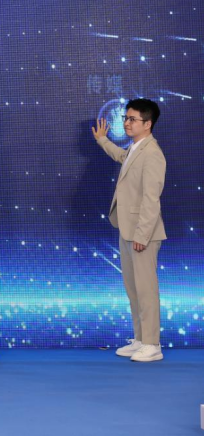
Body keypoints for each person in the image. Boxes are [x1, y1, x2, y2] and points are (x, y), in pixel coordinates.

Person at [92, 99, 166, 362]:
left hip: (142, 233)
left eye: (132, 119)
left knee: (146, 290)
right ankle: (140, 339)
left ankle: (153, 345)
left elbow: (151, 199)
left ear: (148, 124)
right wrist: (102, 140)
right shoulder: (135, 149)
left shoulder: (152, 153)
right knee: (133, 289)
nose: (126, 123)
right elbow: (121, 157)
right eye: (126, 118)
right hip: (127, 229)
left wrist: (142, 235)